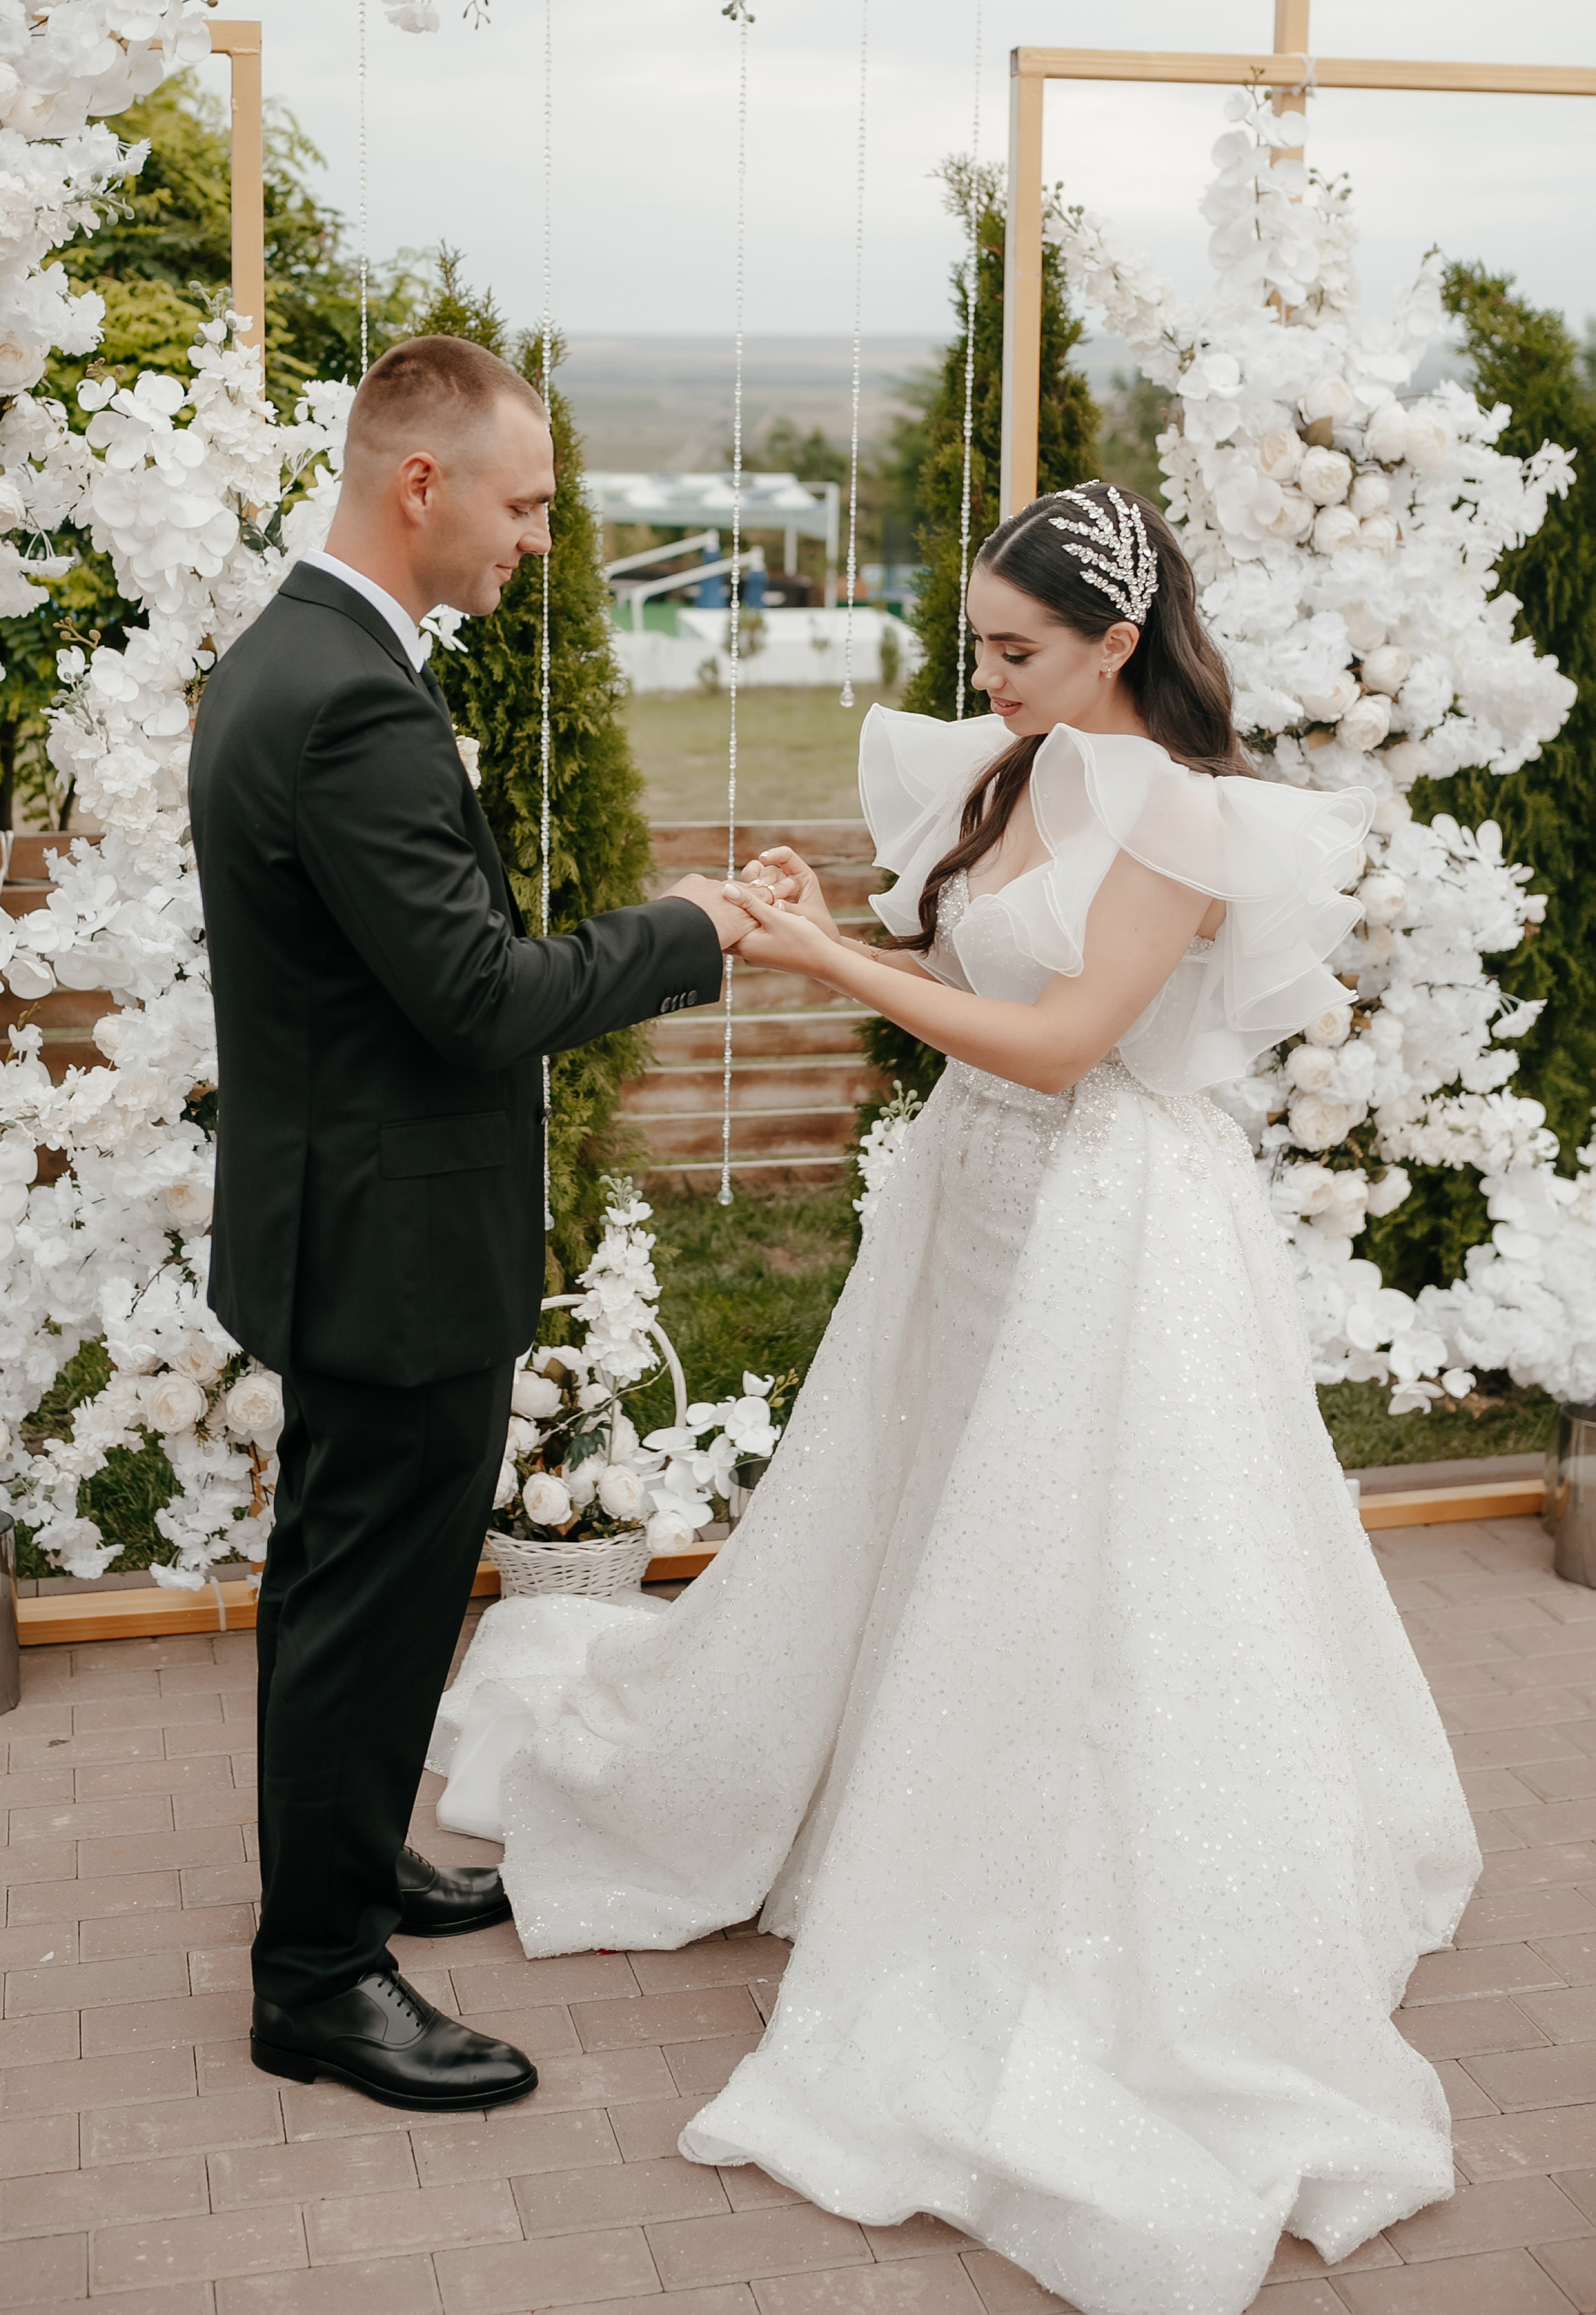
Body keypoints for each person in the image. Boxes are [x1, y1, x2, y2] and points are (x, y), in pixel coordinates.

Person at [427, 484, 1480, 2314]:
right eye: (977, 646)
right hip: (974, 1203)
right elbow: (972, 980)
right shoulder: (1029, 771)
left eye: (1017, 651)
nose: (985, 681)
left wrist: (830, 964)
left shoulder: (1178, 813)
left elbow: (1073, 1046)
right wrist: (821, 923)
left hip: (1109, 1229)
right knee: (929, 1516)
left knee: (1092, 1570)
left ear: (1115, 647)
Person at [187, 333, 751, 2114]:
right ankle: (320, 1987)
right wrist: (691, 926)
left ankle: (349, 1877)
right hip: (394, 1248)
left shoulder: (289, 653)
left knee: (345, 1592)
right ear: (418, 484)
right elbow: (477, 998)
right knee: (368, 1604)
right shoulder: (351, 695)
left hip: (334, 1218)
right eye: (523, 508)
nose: (535, 543)